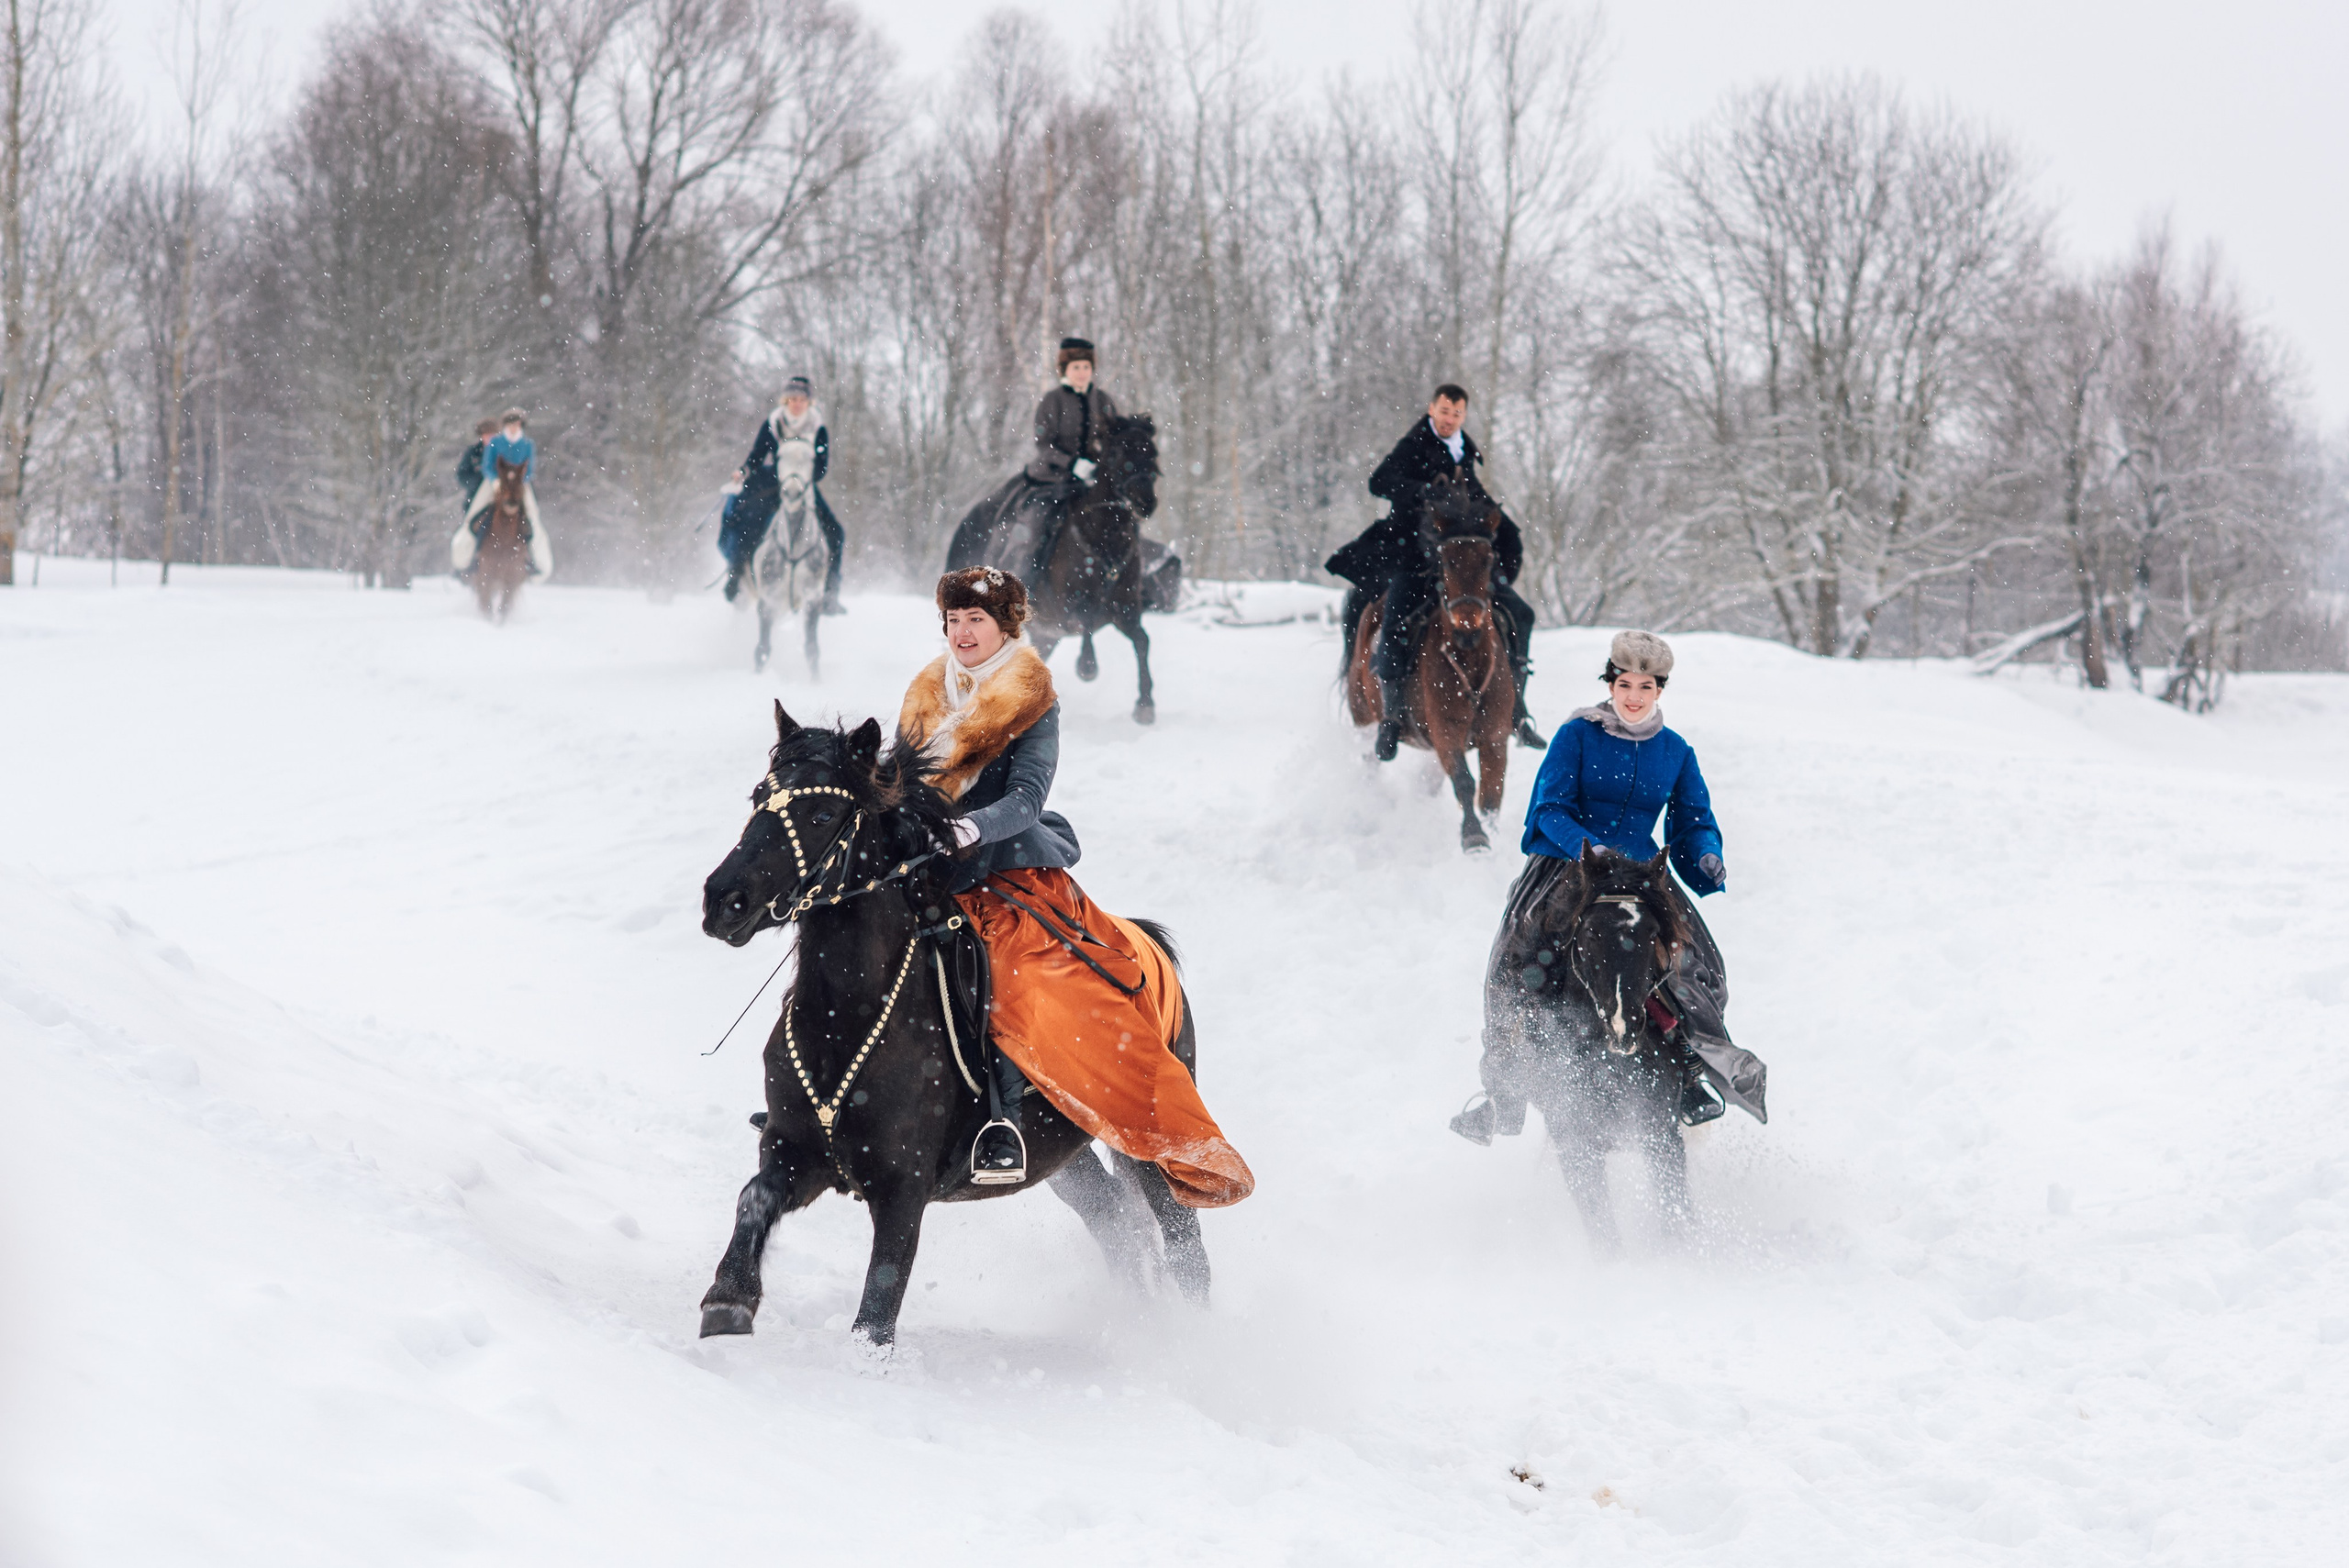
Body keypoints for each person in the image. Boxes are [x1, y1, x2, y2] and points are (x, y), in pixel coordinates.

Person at [896, 566, 1253, 1206]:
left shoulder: (1032, 696)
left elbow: (1028, 799)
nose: (961, 632)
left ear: (1004, 625)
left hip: (1008, 875)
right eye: (952, 620)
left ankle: (1002, 1119)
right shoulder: (927, 692)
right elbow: (900, 781)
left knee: (1014, 978)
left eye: (974, 620)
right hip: (930, 870)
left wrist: (969, 830)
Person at [1451, 630, 1766, 1143]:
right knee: (1515, 961)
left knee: (1700, 967)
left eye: (1646, 686)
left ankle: (1689, 1069)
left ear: (1660, 690)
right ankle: (1502, 1095)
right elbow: (1548, 809)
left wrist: (1707, 854)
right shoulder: (1576, 735)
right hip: (1567, 866)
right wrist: (1589, 849)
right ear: (1610, 683)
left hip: (1641, 875)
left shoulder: (1675, 752)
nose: (1634, 696)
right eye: (1625, 684)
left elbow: (1693, 819)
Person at [1326, 384, 1544, 760]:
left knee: (1521, 614)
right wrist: (1422, 490)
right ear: (1432, 410)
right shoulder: (1413, 445)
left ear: (1463, 416)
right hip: (1414, 559)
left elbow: (1484, 508)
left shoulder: (1464, 452)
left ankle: (1517, 711)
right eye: (1444, 412)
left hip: (1461, 570)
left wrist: (1503, 568)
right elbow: (1378, 483)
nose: (1449, 419)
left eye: (1456, 414)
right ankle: (1392, 718)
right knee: (1394, 621)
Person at [719, 375, 845, 612]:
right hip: (773, 485)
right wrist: (743, 470)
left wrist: (800, 479)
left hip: (804, 487)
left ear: (809, 402)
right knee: (748, 524)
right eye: (792, 399)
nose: (797, 403)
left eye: (802, 399)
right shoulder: (773, 423)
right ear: (786, 401)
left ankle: (830, 594)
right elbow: (757, 455)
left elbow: (821, 468)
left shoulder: (818, 428)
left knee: (836, 532)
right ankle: (736, 574)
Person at [458, 407, 553, 578]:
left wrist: (518, 482)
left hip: (519, 485)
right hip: (495, 483)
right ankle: (469, 557)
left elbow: (530, 469)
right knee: (475, 514)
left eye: (516, 424)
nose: (513, 428)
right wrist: (496, 481)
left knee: (533, 518)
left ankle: (533, 559)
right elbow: (488, 465)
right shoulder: (496, 442)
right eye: (510, 425)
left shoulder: (527, 444)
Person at [449, 417, 499, 577]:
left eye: (492, 434)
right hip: (475, 500)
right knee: (471, 530)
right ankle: (467, 561)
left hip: (498, 499)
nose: (489, 438)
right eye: (486, 434)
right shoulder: (473, 453)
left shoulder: (502, 452)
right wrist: (477, 482)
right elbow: (462, 475)